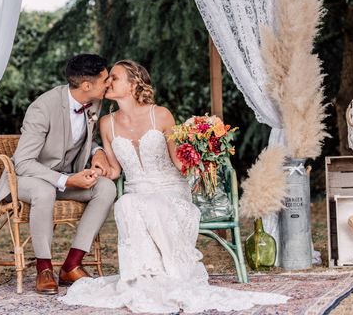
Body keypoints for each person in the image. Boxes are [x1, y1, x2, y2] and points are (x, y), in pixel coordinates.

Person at [60, 60, 289, 313]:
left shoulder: (161, 115)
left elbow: (180, 165)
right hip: (137, 193)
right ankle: (144, 280)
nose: (108, 82)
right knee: (126, 202)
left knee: (135, 204)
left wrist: (203, 147)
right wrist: (97, 166)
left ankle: (164, 279)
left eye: (114, 77)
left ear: (134, 83)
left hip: (170, 193)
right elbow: (114, 171)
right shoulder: (107, 123)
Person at [0, 54, 116, 295]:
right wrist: (67, 180)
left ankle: (71, 265)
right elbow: (23, 162)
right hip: (25, 181)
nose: (109, 83)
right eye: (105, 79)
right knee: (44, 189)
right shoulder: (42, 108)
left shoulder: (94, 101)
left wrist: (98, 151)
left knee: (106, 188)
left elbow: (79, 138)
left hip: (63, 178)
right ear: (87, 85)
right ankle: (44, 269)